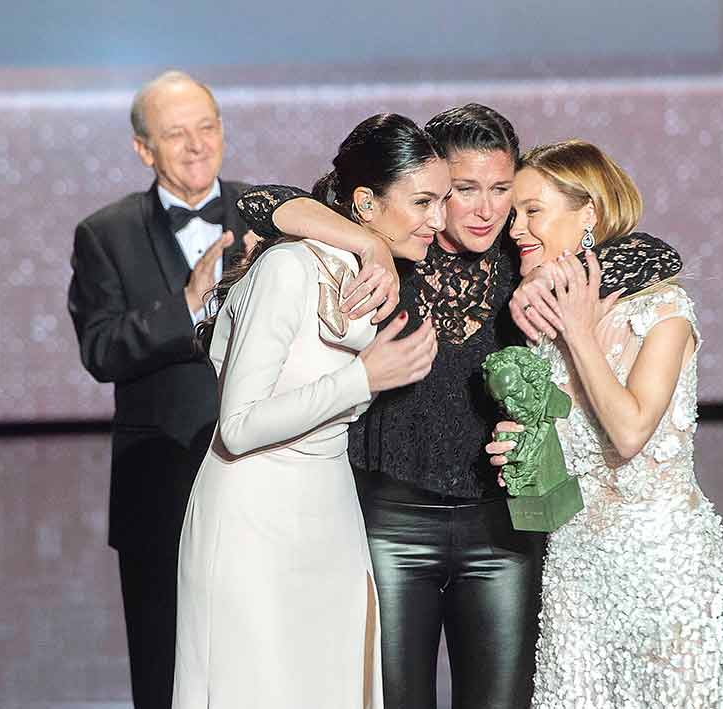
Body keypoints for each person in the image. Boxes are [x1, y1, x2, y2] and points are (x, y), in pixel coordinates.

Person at [270, 104, 684, 708]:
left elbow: (657, 254)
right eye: (464, 191)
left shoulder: (526, 259)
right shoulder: (396, 247)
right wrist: (367, 244)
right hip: (390, 522)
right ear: (435, 189)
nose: (488, 210)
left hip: (503, 532)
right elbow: (262, 202)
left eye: (502, 190)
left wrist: (545, 286)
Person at [67, 71, 398, 709]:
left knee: (273, 665)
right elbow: (99, 350)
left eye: (207, 128)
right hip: (162, 475)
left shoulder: (273, 216)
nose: (196, 146)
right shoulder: (103, 233)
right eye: (176, 134)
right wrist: (186, 307)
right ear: (144, 149)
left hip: (271, 478)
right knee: (170, 668)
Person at [172, 113, 446, 708]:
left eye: (443, 201)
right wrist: (363, 376)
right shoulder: (288, 267)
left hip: (329, 510)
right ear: (366, 204)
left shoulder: (376, 278)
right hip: (253, 517)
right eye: (424, 201)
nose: (439, 220)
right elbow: (239, 426)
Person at [486, 140, 723, 707]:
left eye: (533, 211)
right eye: (514, 215)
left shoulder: (664, 313)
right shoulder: (542, 327)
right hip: (575, 574)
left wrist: (579, 333)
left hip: (663, 570)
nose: (516, 229)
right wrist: (524, 447)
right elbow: (570, 443)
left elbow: (630, 433)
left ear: (590, 216)